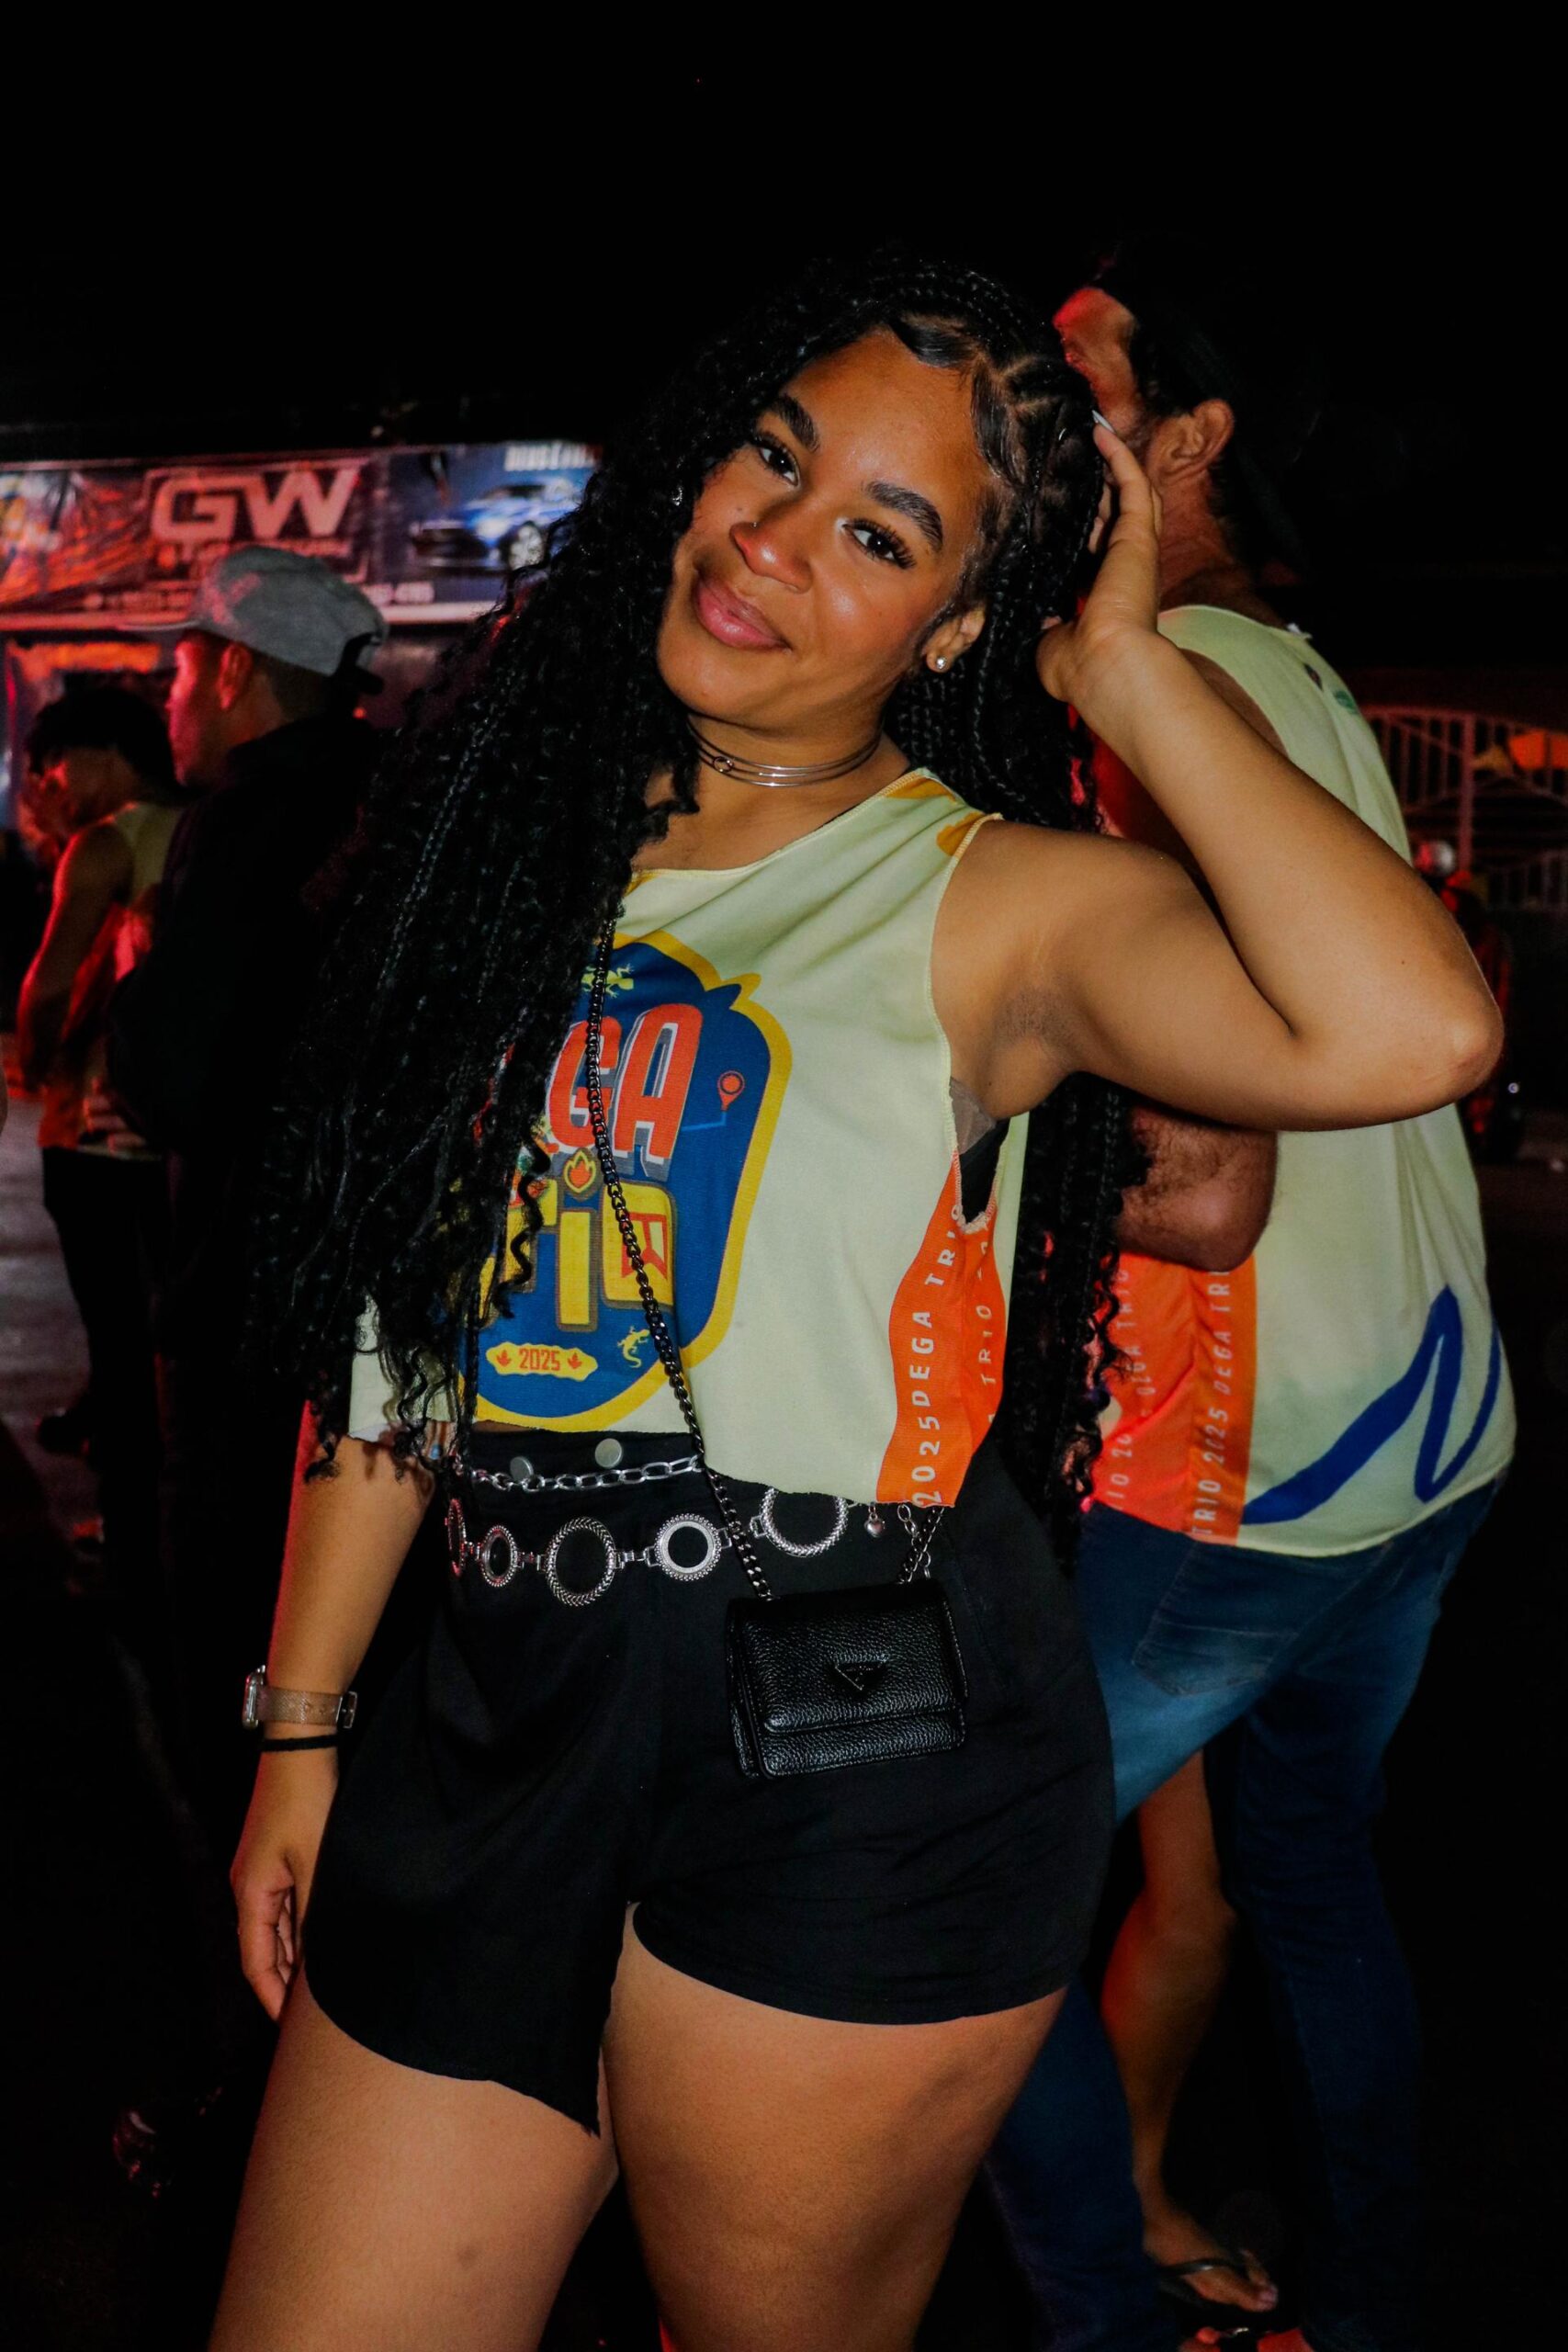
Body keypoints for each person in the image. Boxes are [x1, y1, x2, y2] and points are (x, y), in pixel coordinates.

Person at [213, 254, 1497, 2352]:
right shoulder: (510, 856)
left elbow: (1410, 1027)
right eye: (772, 458)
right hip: (492, 1699)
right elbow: (394, 1338)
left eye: (882, 536)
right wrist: (301, 1723)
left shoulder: (988, 895)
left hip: (851, 1753)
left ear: (956, 623)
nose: (772, 541)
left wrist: (1121, 665)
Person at [988, 240, 1516, 2352]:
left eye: (1077, 374)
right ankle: (1357, 2299)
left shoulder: (1157, 684)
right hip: (1423, 1435)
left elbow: (1201, 1191)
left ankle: (1108, 2314)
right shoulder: (1274, 661)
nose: (1026, 399)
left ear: (1186, 436)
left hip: (1248, 1466)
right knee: (1302, 1879)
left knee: (965, 1899)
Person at [107, 548, 386, 1853]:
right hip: (375, 1289)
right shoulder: (399, 788)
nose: (171, 701)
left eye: (180, 672)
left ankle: (247, 1903)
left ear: (232, 672)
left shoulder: (249, 812)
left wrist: (135, 988)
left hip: (249, 1287)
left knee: (234, 1611)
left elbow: (180, 1068)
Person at [16, 685, 184, 1677]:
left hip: (93, 1131)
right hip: (172, 1138)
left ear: (106, 752)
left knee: (117, 1345)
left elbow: (50, 979)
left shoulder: (107, 842)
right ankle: (162, 1532)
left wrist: (34, 1061)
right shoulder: (198, 828)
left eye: (57, 766)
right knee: (158, 1343)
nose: (51, 786)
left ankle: (129, 1551)